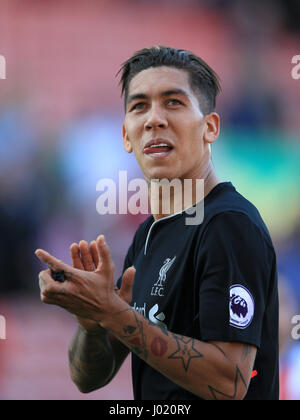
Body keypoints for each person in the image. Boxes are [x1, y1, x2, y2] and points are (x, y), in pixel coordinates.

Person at [36, 46, 279, 400]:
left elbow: (230, 383)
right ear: (125, 136)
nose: (153, 119)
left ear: (210, 127)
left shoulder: (228, 226)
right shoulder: (148, 235)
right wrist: (91, 321)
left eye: (173, 103)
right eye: (139, 106)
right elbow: (88, 378)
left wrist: (112, 311)